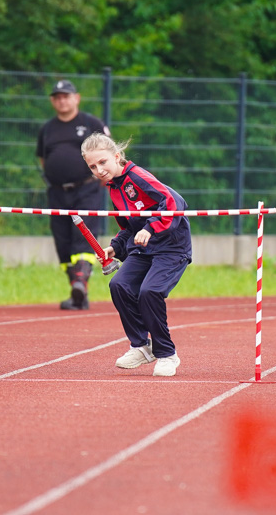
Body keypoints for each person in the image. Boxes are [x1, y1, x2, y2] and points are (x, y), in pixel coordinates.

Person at [80, 133, 193, 377]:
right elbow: (127, 228)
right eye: (92, 166)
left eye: (102, 162)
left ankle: (166, 354)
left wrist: (150, 227)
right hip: (143, 249)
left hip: (171, 247)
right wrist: (116, 247)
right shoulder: (114, 189)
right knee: (119, 285)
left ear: (117, 157)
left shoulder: (137, 176)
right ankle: (141, 346)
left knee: (149, 292)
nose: (98, 170)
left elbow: (174, 202)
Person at [36, 80, 111, 310]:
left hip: (87, 189)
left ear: (76, 98)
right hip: (57, 192)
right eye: (57, 97)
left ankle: (80, 282)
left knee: (84, 236)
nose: (62, 100)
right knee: (63, 242)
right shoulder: (47, 128)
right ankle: (78, 290)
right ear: (52, 101)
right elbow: (42, 158)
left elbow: (110, 152)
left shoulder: (91, 123)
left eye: (66, 96)